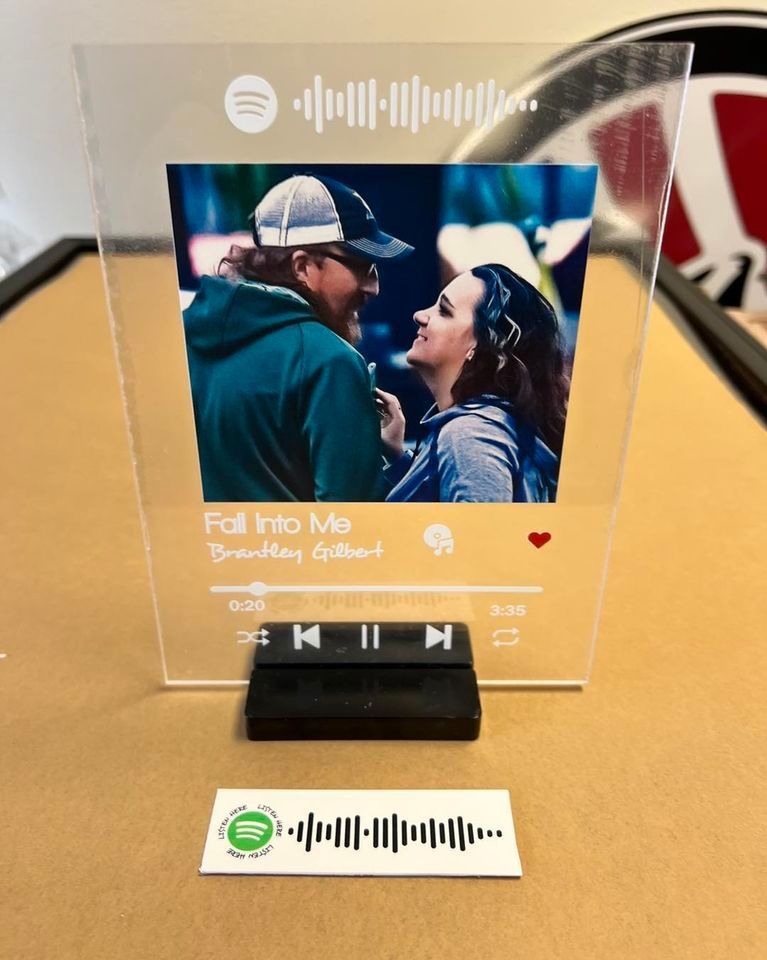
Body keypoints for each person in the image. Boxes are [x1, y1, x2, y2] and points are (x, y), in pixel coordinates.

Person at [183, 174, 414, 502]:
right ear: (302, 266)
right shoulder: (330, 361)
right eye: (362, 266)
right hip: (295, 553)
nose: (373, 287)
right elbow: (354, 523)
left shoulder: (180, 340)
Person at [377, 263, 567, 502]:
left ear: (480, 345)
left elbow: (479, 536)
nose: (420, 315)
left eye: (444, 311)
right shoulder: (478, 430)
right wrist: (397, 457)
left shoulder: (469, 436)